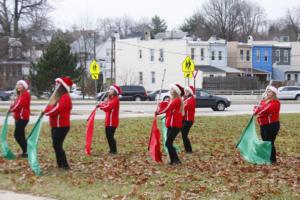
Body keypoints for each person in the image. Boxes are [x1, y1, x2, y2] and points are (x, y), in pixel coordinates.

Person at [44, 77, 73, 170]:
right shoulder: (57, 97)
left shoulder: (65, 97)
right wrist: (47, 110)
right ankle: (60, 164)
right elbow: (49, 107)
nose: (56, 86)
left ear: (62, 86)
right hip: (55, 126)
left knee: (57, 145)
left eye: (58, 84)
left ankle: (65, 165)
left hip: (62, 126)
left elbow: (57, 109)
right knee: (56, 145)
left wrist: (46, 112)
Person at [156, 84, 184, 165]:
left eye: (172, 89)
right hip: (170, 125)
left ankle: (177, 160)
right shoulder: (172, 99)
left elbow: (168, 108)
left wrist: (158, 112)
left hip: (176, 125)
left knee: (168, 143)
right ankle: (173, 160)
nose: (170, 90)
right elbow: (165, 105)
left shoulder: (177, 100)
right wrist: (160, 103)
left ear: (175, 91)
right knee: (168, 143)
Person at [253, 85, 281, 164]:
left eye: (269, 92)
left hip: (271, 125)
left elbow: (264, 110)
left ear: (274, 93)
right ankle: (266, 158)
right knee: (265, 142)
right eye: (267, 91)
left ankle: (273, 160)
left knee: (270, 143)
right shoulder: (264, 101)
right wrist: (257, 109)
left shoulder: (275, 103)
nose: (267, 93)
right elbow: (256, 109)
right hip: (263, 125)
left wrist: (257, 110)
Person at [9, 80, 31, 157]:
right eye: (17, 84)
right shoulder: (20, 95)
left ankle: (27, 151)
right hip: (18, 118)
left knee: (17, 135)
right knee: (21, 135)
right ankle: (26, 152)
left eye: (20, 84)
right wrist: (12, 108)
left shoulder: (26, 94)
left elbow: (18, 106)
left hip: (23, 118)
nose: (18, 86)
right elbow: (15, 105)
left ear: (24, 86)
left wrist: (11, 109)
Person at [98, 84, 121, 154]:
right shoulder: (110, 98)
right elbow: (105, 105)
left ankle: (114, 151)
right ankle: (111, 150)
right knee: (108, 136)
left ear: (115, 91)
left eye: (111, 89)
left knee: (110, 136)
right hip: (108, 120)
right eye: (109, 89)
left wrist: (100, 106)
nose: (109, 90)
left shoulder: (115, 99)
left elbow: (108, 107)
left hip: (112, 121)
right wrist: (101, 105)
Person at [182, 85, 196, 153]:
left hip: (189, 120)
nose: (185, 92)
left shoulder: (191, 99)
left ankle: (189, 150)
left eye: (187, 91)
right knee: (183, 134)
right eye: (185, 91)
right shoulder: (186, 99)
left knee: (184, 134)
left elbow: (184, 108)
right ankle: (187, 149)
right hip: (185, 119)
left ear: (190, 92)